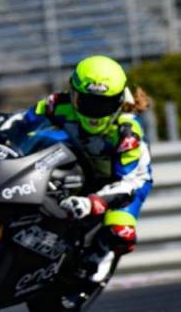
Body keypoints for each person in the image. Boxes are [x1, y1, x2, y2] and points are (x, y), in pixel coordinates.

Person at [20, 55, 152, 283]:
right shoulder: (56, 104)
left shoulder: (127, 131)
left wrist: (94, 202)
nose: (94, 111)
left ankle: (101, 256)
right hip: (77, 168)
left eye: (104, 104)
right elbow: (19, 124)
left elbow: (130, 182)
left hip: (121, 183)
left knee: (121, 232)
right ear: (73, 94)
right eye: (88, 102)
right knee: (44, 139)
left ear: (119, 101)